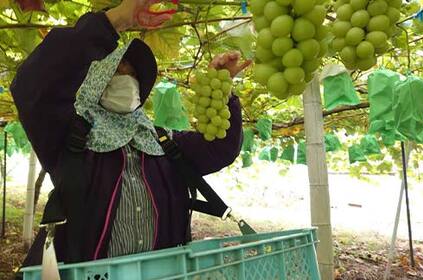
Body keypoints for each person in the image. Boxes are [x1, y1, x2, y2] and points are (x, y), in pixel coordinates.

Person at [10, 0, 251, 270]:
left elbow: (221, 148)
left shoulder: (162, 141)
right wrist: (115, 20)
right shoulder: (69, 134)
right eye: (118, 69)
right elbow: (34, 87)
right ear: (97, 78)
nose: (127, 77)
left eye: (134, 74)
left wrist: (223, 94)